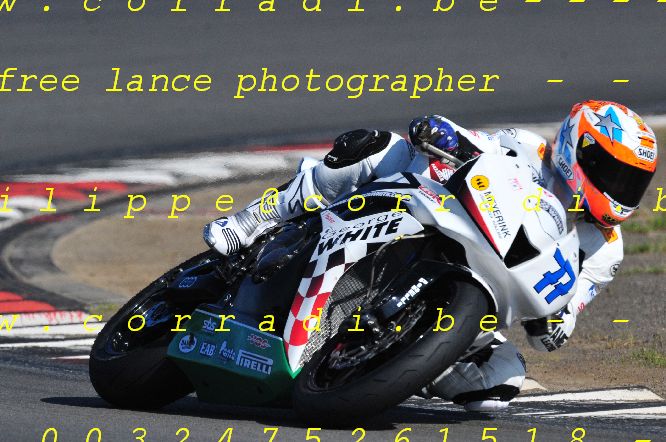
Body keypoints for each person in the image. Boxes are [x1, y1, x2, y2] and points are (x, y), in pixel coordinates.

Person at [202, 100, 658, 411]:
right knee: (379, 146)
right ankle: (256, 219)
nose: (621, 190)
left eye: (633, 181)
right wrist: (444, 135)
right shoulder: (527, 146)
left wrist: (555, 323)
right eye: (615, 173)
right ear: (580, 150)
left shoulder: (605, 248)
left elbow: (566, 316)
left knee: (501, 381)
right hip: (435, 218)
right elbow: (470, 145)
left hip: (484, 295)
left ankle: (392, 365)